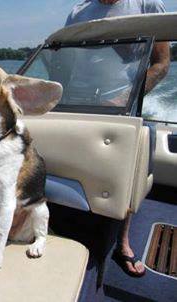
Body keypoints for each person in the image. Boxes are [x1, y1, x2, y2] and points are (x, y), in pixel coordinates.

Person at [65, 0, 170, 277]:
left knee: (130, 169)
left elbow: (161, 63)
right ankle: (74, 227)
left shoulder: (147, 4)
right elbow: (66, 59)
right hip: (79, 100)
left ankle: (122, 242)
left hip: (125, 101)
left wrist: (126, 98)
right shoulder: (78, 12)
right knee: (77, 164)